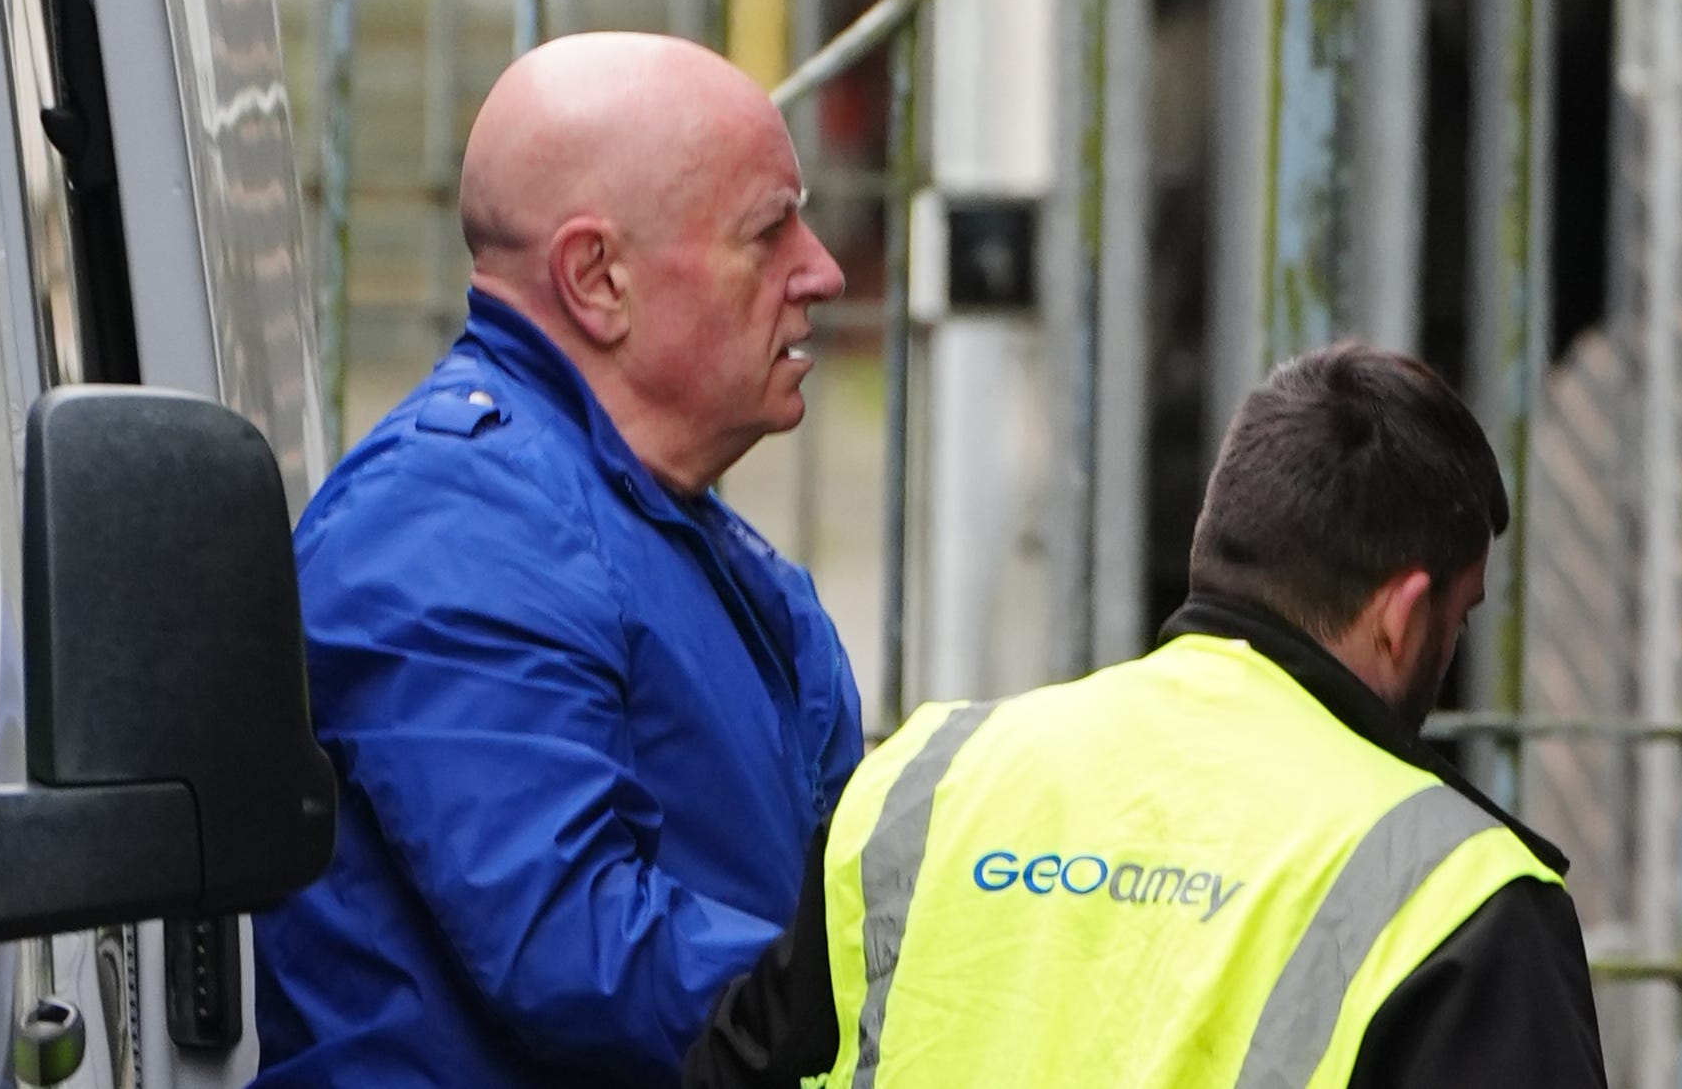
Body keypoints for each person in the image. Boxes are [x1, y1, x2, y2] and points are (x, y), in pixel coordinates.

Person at [685, 343, 1606, 1088]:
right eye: (1461, 615)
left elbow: (733, 1068)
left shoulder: (924, 785)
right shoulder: (1456, 896)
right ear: (1404, 617)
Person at [251, 31, 864, 1087]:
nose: (823, 269)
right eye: (770, 232)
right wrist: (885, 974)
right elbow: (580, 950)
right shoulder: (449, 525)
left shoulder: (672, 528)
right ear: (597, 278)